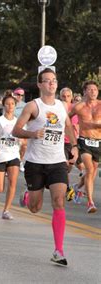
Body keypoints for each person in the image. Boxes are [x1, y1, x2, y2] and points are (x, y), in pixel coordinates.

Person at [12, 68, 78, 266]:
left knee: (59, 201)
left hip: (57, 162)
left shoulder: (60, 105)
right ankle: (27, 196)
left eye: (54, 80)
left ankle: (58, 250)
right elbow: (16, 130)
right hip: (36, 162)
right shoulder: (33, 107)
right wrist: (33, 134)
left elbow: (67, 125)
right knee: (35, 207)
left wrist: (74, 146)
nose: (51, 84)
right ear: (40, 85)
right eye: (47, 81)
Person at [69, 80, 100, 213]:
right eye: (90, 89)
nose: (93, 91)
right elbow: (66, 120)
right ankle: (90, 203)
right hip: (84, 141)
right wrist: (72, 131)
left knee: (92, 172)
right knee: (89, 169)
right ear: (85, 91)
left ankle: (76, 187)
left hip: (98, 142)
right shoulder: (79, 107)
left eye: (95, 89)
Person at [13, 87, 28, 172]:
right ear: (14, 94)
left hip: (23, 127)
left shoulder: (25, 105)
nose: (20, 96)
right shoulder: (10, 103)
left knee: (24, 146)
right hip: (12, 128)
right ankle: (10, 166)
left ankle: (21, 162)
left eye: (21, 95)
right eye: (18, 94)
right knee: (14, 147)